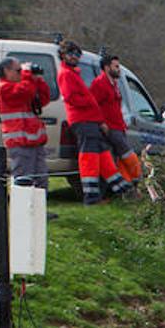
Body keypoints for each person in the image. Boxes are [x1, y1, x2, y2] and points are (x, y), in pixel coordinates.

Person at [56, 40, 129, 205]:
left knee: (104, 157)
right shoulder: (66, 74)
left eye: (77, 54)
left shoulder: (73, 73)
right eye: (71, 54)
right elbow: (71, 98)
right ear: (63, 55)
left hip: (91, 121)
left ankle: (122, 190)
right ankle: (91, 198)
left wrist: (98, 119)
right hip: (83, 121)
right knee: (89, 159)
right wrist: (90, 104)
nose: (75, 57)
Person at [0, 56, 50, 188]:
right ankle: (21, 208)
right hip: (20, 143)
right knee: (24, 180)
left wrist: (38, 80)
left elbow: (43, 99)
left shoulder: (23, 86)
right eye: (18, 70)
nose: (21, 73)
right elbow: (26, 91)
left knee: (41, 180)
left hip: (35, 141)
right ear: (7, 71)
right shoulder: (4, 88)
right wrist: (27, 73)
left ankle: (39, 208)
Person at [89, 53, 143, 188]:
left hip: (119, 126)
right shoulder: (99, 83)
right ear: (107, 67)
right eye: (116, 66)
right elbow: (92, 105)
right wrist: (101, 122)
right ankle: (139, 179)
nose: (119, 69)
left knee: (120, 159)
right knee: (127, 154)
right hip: (110, 128)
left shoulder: (114, 84)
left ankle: (127, 186)